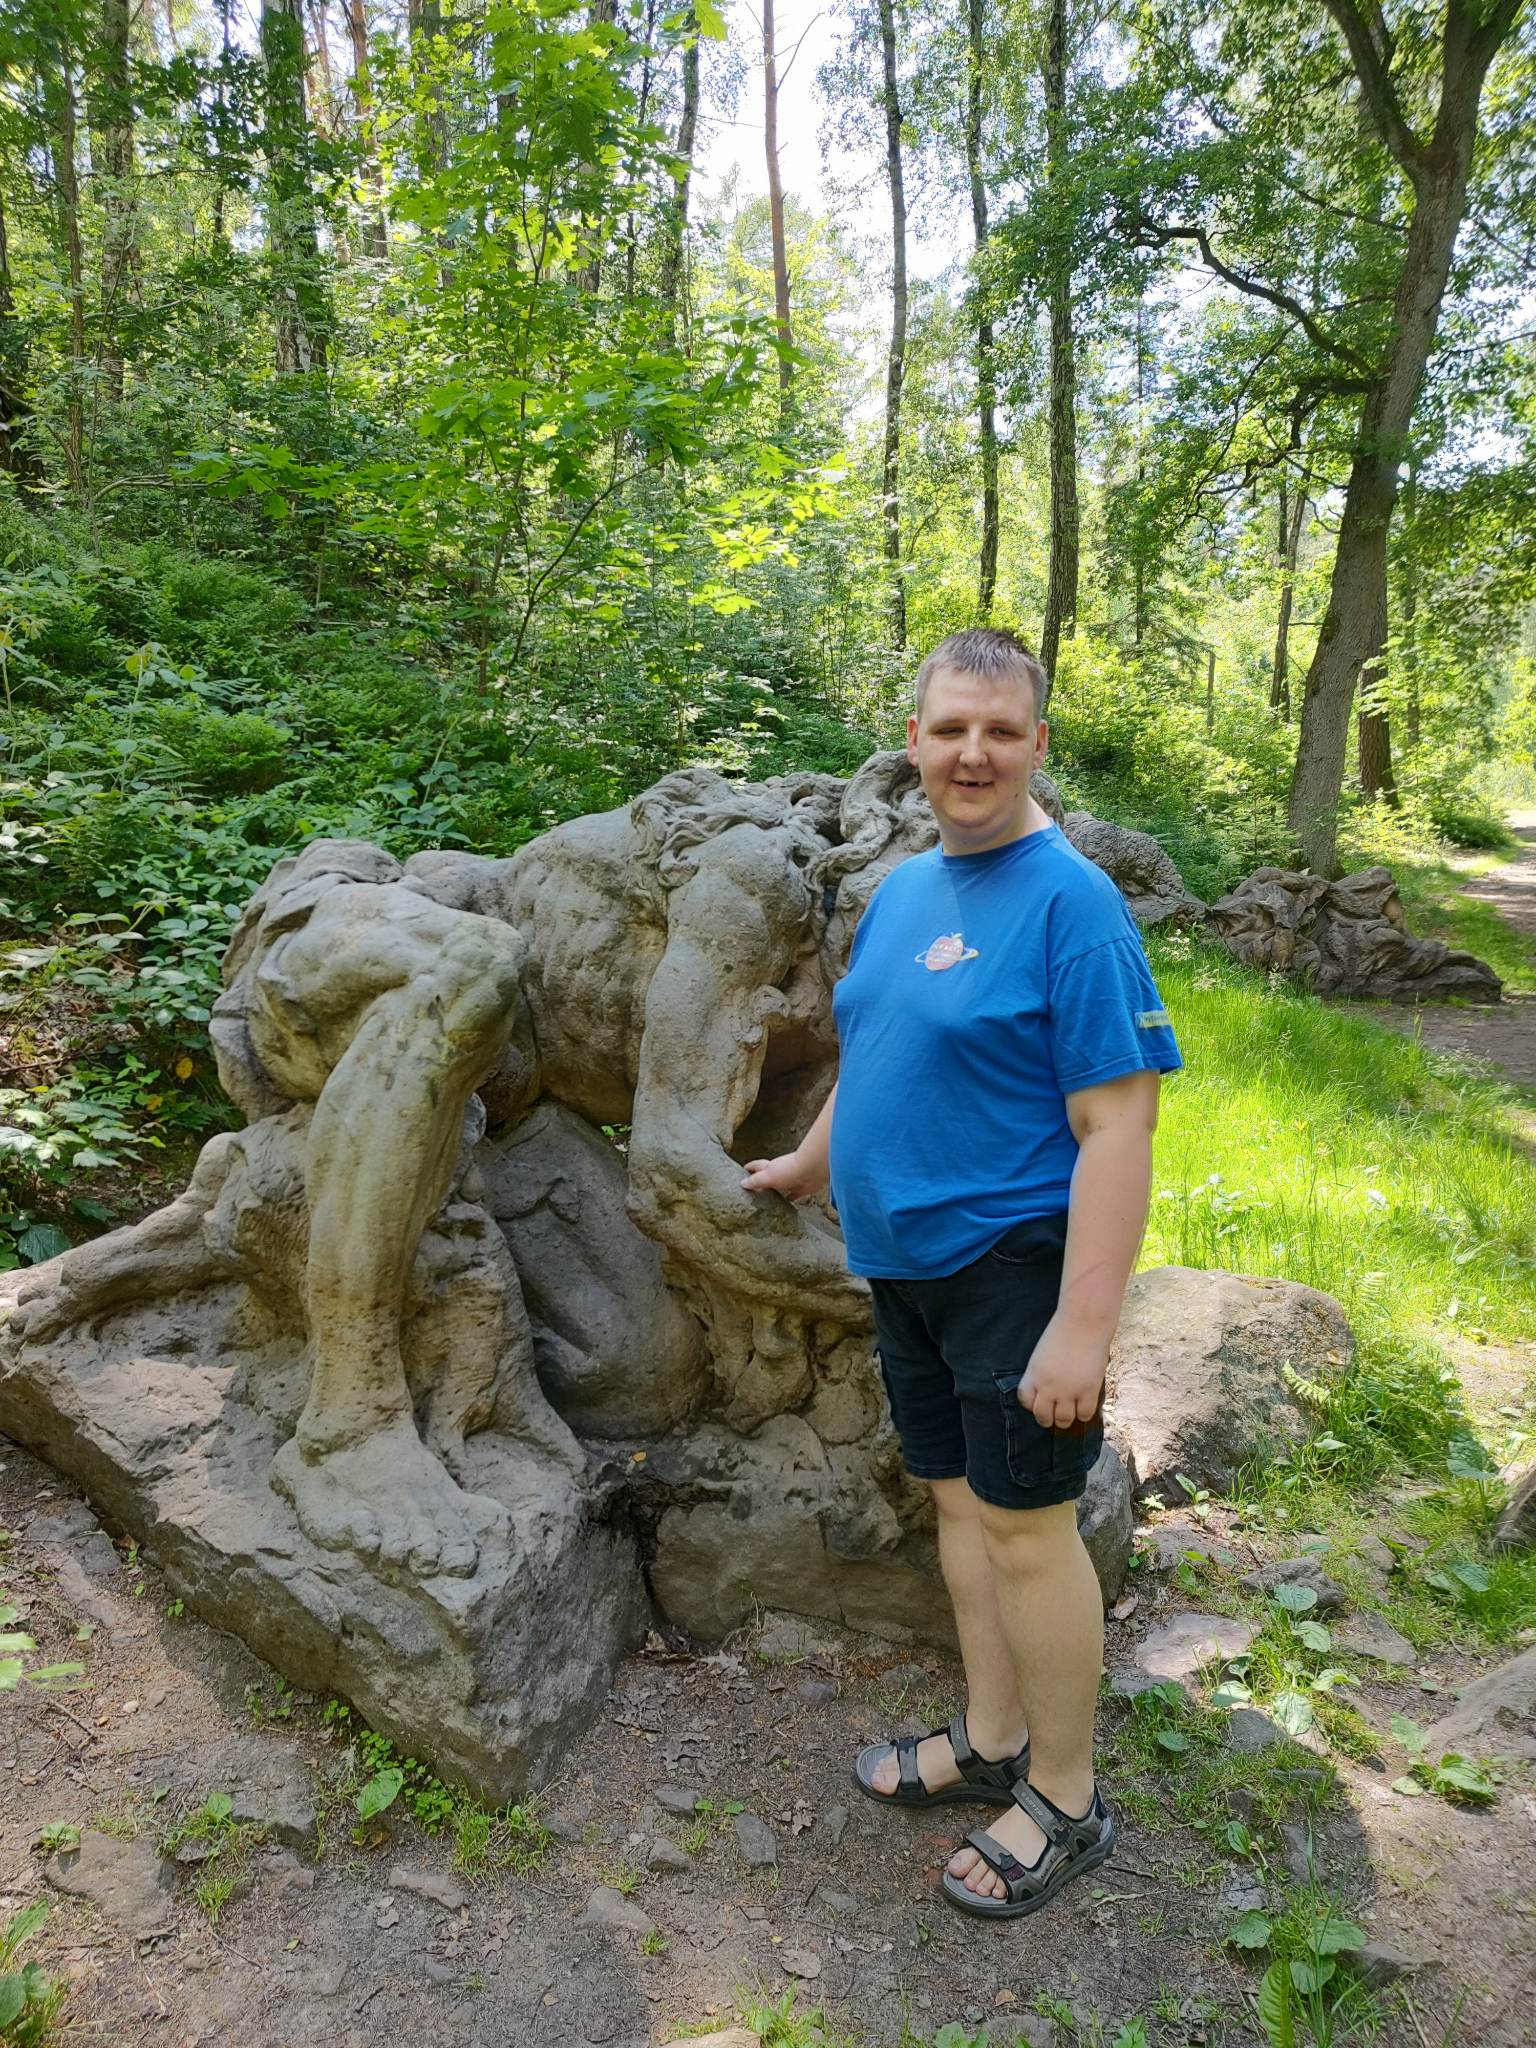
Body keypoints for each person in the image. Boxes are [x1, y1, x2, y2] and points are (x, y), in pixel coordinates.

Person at [742, 626, 1182, 1920]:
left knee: (1027, 1531)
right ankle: (993, 1738)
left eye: (999, 731)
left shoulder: (1071, 906)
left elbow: (1119, 1126)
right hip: (905, 1268)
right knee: (959, 1508)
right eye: (950, 730)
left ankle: (1065, 1796)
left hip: (1012, 1268)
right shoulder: (904, 893)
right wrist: (808, 1163)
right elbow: (878, 1050)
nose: (972, 754)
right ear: (915, 745)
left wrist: (1082, 1332)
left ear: (1037, 744)